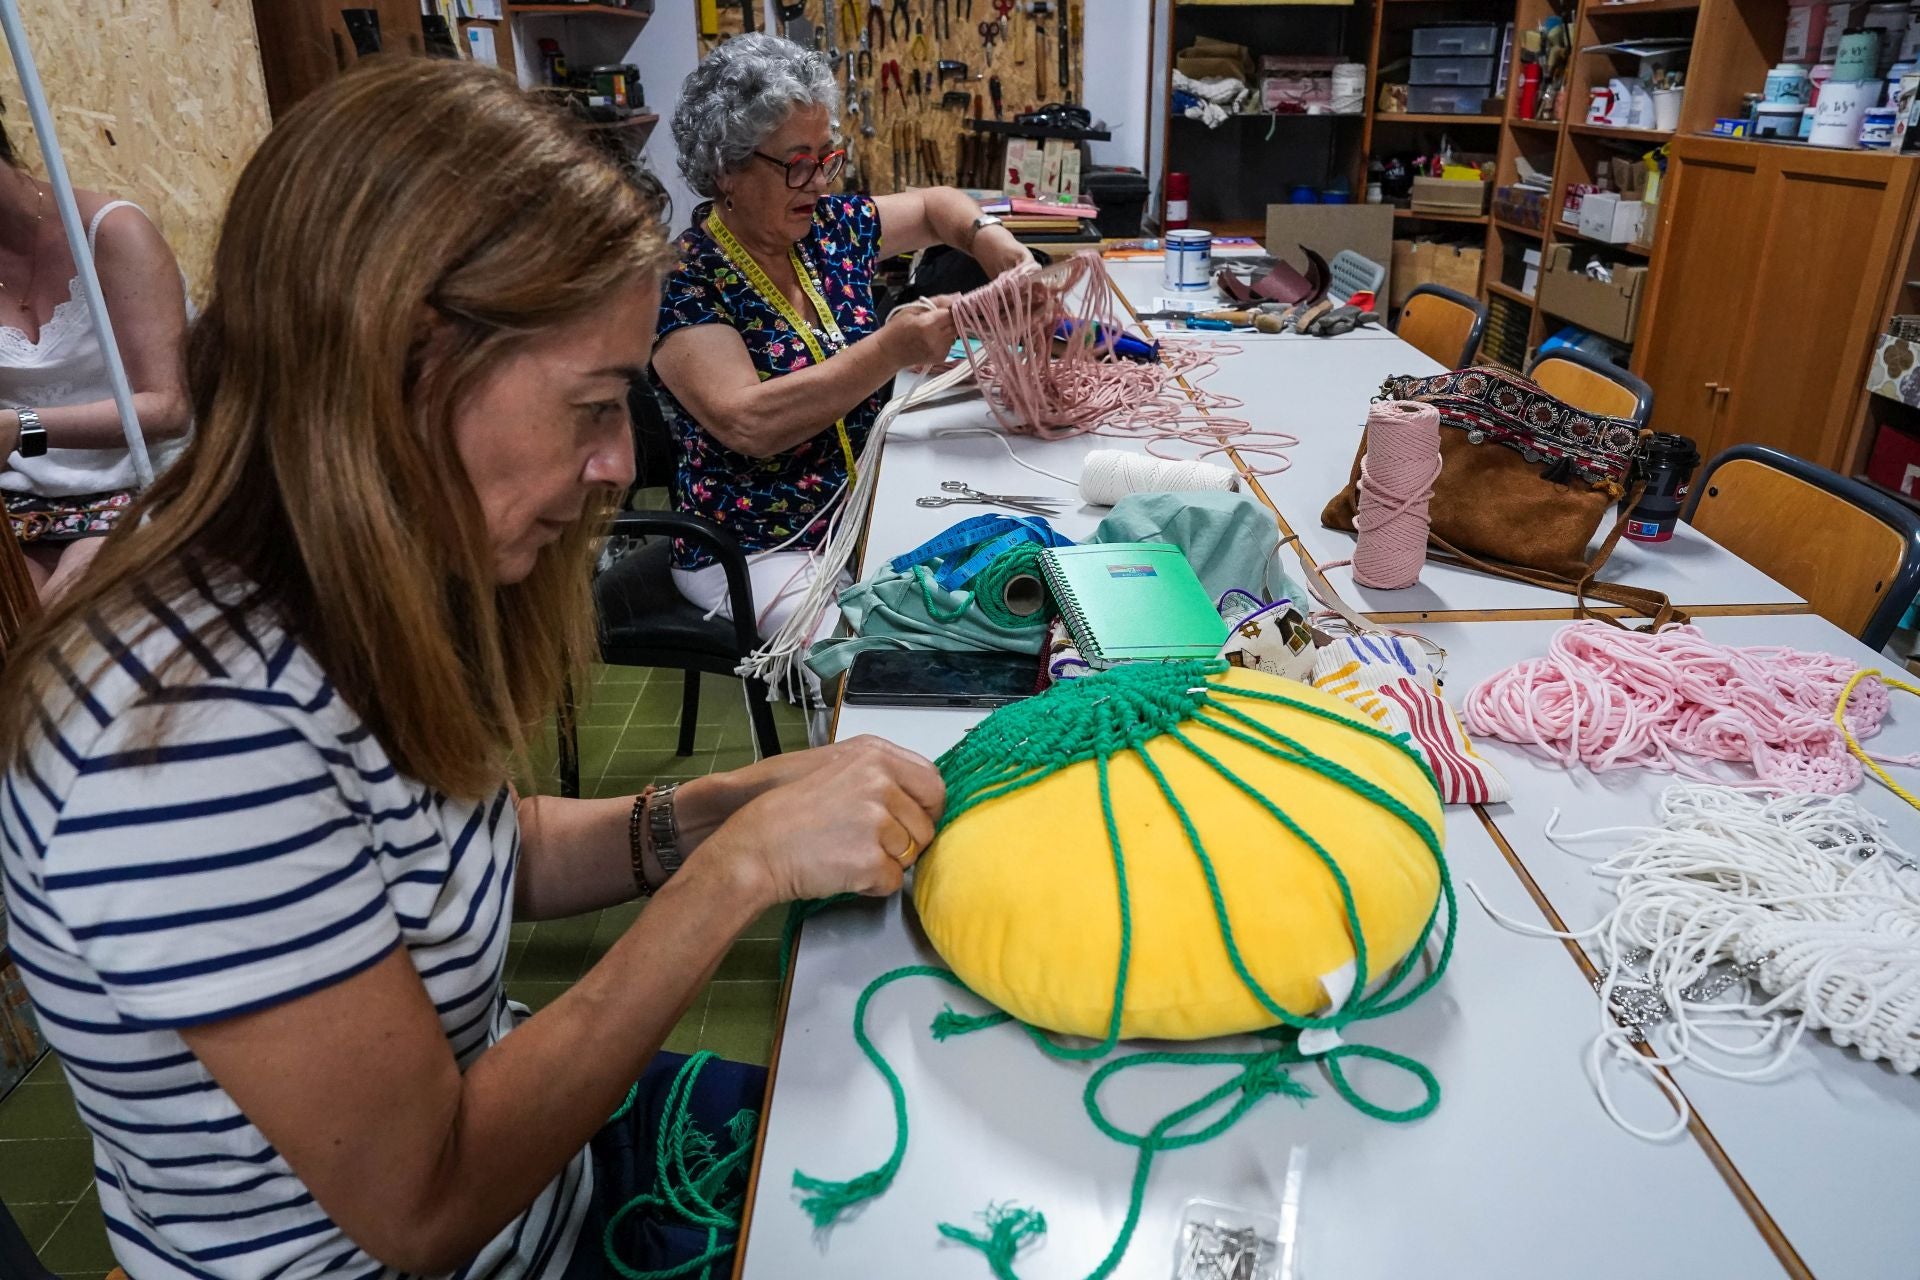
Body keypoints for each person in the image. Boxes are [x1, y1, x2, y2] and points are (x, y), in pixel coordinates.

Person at [0, 59, 943, 1280]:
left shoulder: (340, 590)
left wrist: (718, 807)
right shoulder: (184, 738)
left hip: (548, 1189)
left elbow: (473, 854)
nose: (616, 465)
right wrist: (736, 873)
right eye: (594, 405)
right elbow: (425, 1198)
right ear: (411, 362)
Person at [650, 34, 1035, 651]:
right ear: (727, 167)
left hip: (861, 509)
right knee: (868, 660)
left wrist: (997, 244)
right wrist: (889, 350)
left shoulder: (827, 229)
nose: (818, 182)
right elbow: (749, 422)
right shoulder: (685, 278)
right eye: (796, 162)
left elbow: (938, 209)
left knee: (996, 600)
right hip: (756, 544)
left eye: (827, 157)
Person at [0, 109, 191, 600]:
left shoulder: (111, 232)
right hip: (26, 498)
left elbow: (168, 408)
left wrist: (21, 425)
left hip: (144, 481)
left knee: (58, 627)